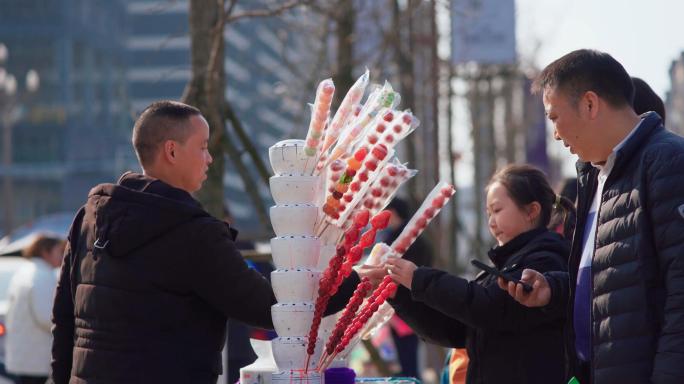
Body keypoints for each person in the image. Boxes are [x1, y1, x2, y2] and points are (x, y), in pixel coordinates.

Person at [48, 101, 364, 384]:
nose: (209, 159)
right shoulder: (193, 233)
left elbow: (64, 317)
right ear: (171, 151)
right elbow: (271, 308)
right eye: (202, 147)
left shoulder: (89, 219)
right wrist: (353, 279)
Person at [502, 49, 684, 383]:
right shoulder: (595, 176)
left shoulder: (669, 163)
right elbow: (615, 279)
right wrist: (554, 291)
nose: (555, 134)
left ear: (589, 104)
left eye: (554, 117)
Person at [385, 164, 575, 384]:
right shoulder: (507, 264)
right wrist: (400, 294)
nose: (491, 222)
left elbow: (489, 308)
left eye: (497, 210)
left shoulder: (545, 260)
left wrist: (419, 278)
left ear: (531, 211)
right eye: (488, 213)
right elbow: (457, 329)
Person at [381, 197, 433, 378]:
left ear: (393, 213)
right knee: (410, 360)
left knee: (407, 362)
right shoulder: (421, 239)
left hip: (400, 305)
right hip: (419, 304)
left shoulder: (395, 241)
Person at [5, 235, 65, 384]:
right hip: (36, 357)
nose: (63, 255)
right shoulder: (42, 276)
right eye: (59, 251)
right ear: (45, 252)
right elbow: (48, 318)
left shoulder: (25, 272)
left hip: (24, 355)